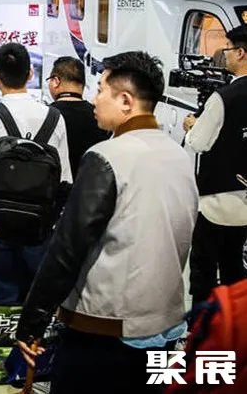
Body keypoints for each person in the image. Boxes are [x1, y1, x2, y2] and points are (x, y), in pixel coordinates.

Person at [16, 51, 198, 394]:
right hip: (164, 322)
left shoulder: (107, 157)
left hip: (103, 328)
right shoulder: (178, 156)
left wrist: (32, 322)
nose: (94, 99)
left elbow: (68, 247)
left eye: (101, 90)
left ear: (126, 100)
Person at [0, 42, 71, 304]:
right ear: (31, 74)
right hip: (39, 226)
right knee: (37, 298)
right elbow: (65, 179)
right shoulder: (54, 117)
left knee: (4, 295)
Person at [184, 25, 247, 305]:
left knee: (204, 271)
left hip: (215, 202)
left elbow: (198, 142)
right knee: (235, 268)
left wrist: (192, 125)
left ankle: (203, 323)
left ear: (241, 53)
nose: (226, 55)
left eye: (229, 49)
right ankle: (237, 321)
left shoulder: (224, 97)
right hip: (244, 202)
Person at [47, 56, 110, 177]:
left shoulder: (46, 115)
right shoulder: (100, 116)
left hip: (55, 186)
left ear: (55, 81)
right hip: (93, 184)